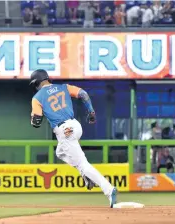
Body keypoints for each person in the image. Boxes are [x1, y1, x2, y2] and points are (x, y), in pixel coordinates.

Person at [29, 69, 117, 207]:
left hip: (64, 130)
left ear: (36, 83)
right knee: (60, 152)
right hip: (75, 126)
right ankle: (85, 175)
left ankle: (109, 189)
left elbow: (37, 122)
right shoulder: (63, 87)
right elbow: (83, 94)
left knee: (83, 163)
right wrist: (91, 112)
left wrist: (33, 119)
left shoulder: (37, 97)